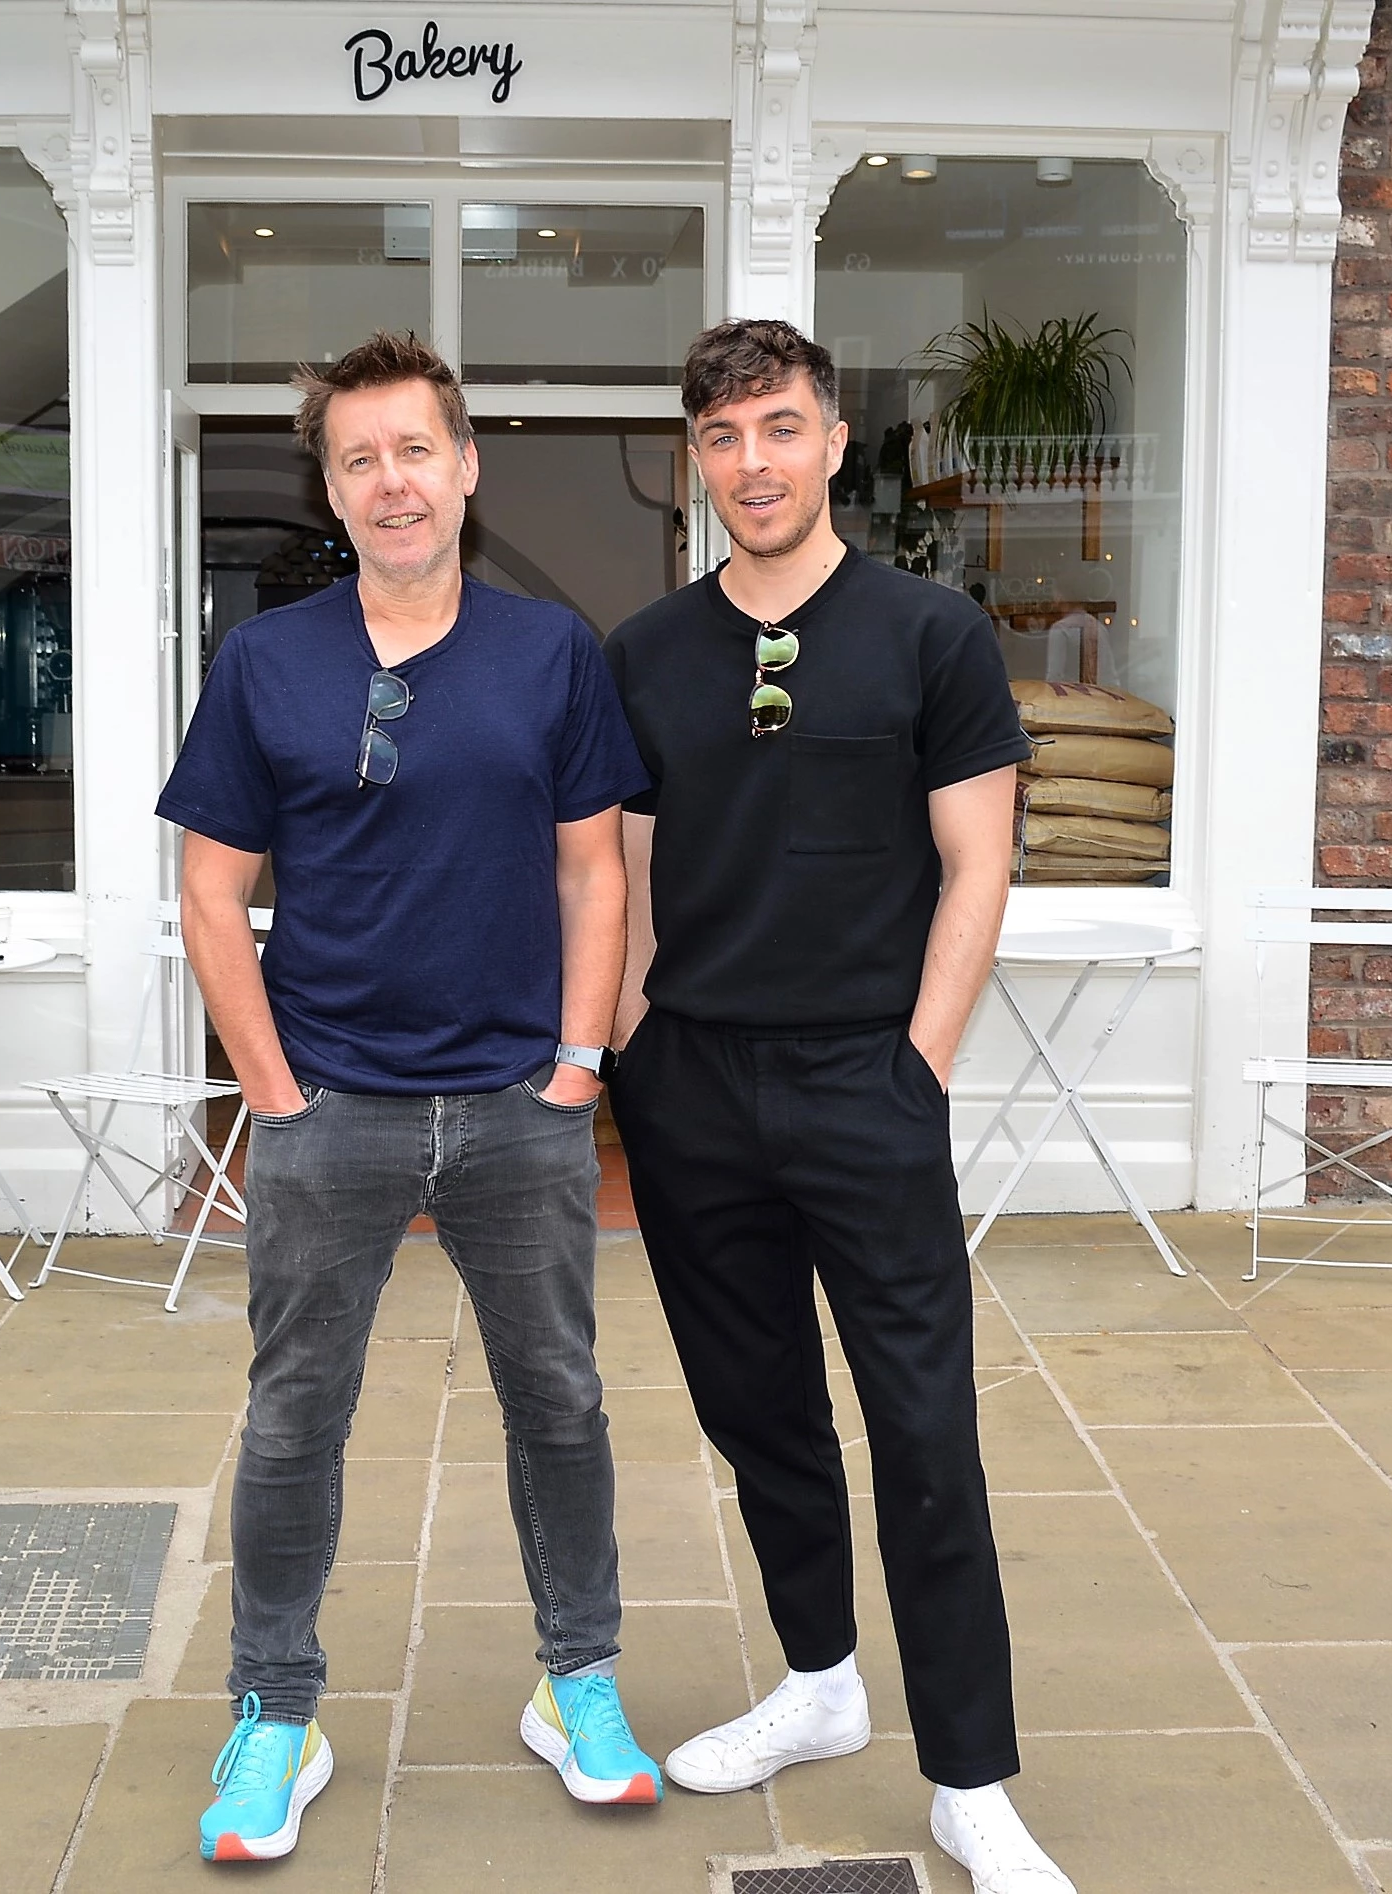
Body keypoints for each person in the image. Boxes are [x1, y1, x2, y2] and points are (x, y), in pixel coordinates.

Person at [159, 330, 662, 1863]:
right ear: (333, 486)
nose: (394, 482)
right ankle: (275, 1713)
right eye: (361, 458)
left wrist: (581, 1063)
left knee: (559, 1404)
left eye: (416, 450)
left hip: (520, 1099)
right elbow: (206, 890)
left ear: (466, 468)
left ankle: (577, 1678)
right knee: (294, 1418)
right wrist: (270, 1089)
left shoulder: (548, 654)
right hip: (332, 1110)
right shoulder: (267, 663)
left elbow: (598, 867)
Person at [602, 318, 1076, 1894]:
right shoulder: (648, 651)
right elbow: (631, 874)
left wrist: (918, 1063)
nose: (755, 462)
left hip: (868, 1081)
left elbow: (978, 862)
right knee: (761, 1420)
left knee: (924, 1428)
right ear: (698, 456)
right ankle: (816, 1683)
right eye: (726, 435)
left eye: (783, 429)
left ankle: (969, 1779)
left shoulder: (932, 634)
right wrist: (628, 1053)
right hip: (695, 1089)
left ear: (829, 440)